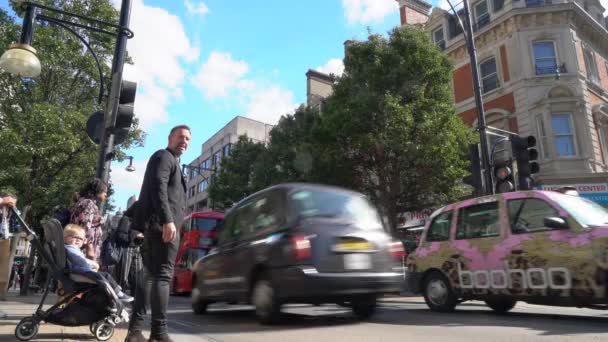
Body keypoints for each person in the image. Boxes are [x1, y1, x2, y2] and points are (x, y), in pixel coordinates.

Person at [126, 125, 190, 342]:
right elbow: (158, 187)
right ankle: (159, 333)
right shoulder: (165, 156)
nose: (185, 141)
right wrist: (168, 220)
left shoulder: (170, 161)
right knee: (162, 276)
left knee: (149, 278)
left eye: (188, 139)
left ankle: (135, 331)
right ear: (170, 137)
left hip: (156, 227)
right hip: (162, 227)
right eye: (181, 137)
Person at [63, 224, 133, 303]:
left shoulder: (71, 248)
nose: (77, 240)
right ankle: (117, 295)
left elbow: (80, 260)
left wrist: (91, 264)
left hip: (79, 271)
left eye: (80, 238)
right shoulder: (71, 248)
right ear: (65, 237)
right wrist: (91, 265)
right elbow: (80, 261)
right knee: (105, 277)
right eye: (73, 237)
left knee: (104, 276)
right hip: (79, 272)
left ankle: (115, 295)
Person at [70, 179, 107, 262]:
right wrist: (89, 249)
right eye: (104, 191)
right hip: (84, 252)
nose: (106, 195)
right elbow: (84, 227)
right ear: (98, 190)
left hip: (82, 249)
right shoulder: (88, 204)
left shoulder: (83, 201)